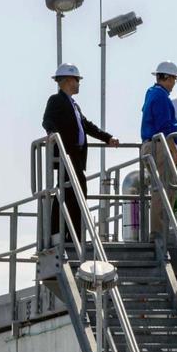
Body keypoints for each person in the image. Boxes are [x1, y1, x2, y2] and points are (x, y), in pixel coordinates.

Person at [41, 63, 119, 244]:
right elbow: (47, 120)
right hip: (66, 155)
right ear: (68, 80)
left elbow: (87, 126)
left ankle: (71, 235)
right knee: (71, 193)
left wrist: (107, 138)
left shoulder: (73, 105)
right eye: (77, 80)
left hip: (75, 156)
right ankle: (65, 236)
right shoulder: (56, 100)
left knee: (74, 194)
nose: (79, 83)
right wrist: (52, 134)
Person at [140, 61, 177, 238]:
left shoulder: (152, 93)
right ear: (167, 78)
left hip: (151, 144)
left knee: (161, 188)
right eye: (173, 79)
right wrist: (174, 151)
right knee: (164, 189)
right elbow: (164, 127)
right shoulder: (161, 97)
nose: (173, 83)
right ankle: (159, 232)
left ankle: (159, 229)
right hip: (159, 146)